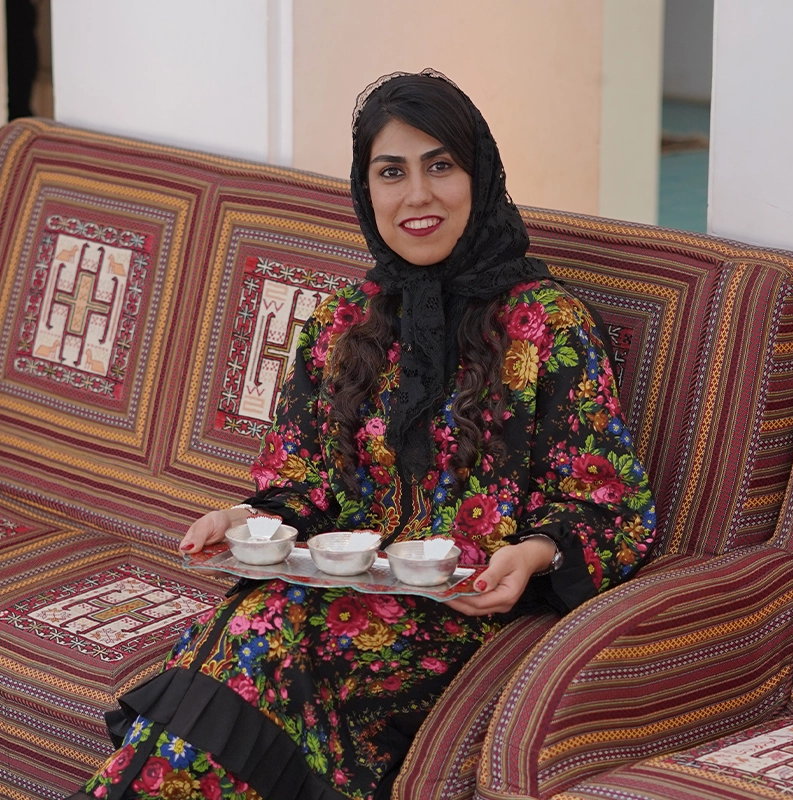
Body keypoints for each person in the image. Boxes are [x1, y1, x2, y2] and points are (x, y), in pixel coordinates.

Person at [70, 69, 656, 800]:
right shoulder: (343, 322)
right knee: (247, 624)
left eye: (440, 166)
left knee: (254, 638)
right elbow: (303, 485)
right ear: (366, 189)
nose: (418, 195)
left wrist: (532, 555)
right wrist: (244, 519)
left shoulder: (546, 325)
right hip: (329, 599)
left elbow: (610, 506)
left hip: (462, 617)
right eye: (392, 172)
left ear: (479, 177)